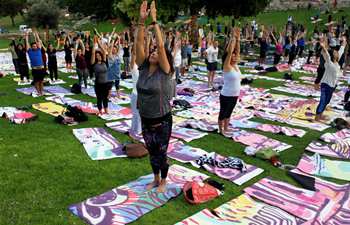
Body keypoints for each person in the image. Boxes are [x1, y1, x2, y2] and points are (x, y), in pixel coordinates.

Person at [136, 0, 174, 193]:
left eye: (157, 53)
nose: (153, 53)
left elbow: (160, 45)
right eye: (151, 52)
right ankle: (156, 178)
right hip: (145, 118)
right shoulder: (143, 68)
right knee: (152, 151)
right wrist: (141, 22)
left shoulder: (165, 71)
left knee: (161, 152)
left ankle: (165, 180)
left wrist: (154, 21)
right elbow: (138, 44)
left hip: (162, 120)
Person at [315, 36, 347, 121]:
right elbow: (326, 53)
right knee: (322, 101)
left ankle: (321, 115)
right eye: (335, 52)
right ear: (333, 56)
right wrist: (323, 46)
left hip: (332, 86)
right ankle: (317, 117)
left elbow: (342, 48)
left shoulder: (337, 61)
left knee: (327, 101)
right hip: (325, 85)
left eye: (336, 52)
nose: (336, 52)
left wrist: (344, 40)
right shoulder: (329, 62)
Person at [219, 27, 241, 136]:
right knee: (223, 113)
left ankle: (226, 128)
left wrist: (237, 39)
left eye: (235, 56)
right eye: (232, 56)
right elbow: (230, 53)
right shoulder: (227, 66)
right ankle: (221, 129)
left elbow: (237, 51)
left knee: (229, 113)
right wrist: (232, 40)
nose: (234, 57)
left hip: (235, 94)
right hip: (226, 94)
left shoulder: (235, 65)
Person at [91, 38, 109, 115]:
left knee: (105, 98)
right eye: (97, 55)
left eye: (99, 55)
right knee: (99, 98)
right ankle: (100, 110)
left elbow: (104, 52)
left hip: (106, 83)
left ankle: (106, 110)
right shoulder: (94, 64)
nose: (98, 56)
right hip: (98, 84)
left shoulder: (104, 62)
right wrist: (95, 45)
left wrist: (99, 42)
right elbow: (92, 53)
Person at [25, 31, 46, 96]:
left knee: (41, 81)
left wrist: (36, 34)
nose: (35, 47)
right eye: (33, 46)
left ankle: (42, 91)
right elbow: (27, 43)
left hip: (41, 68)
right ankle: (38, 92)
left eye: (35, 46)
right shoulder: (29, 51)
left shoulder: (39, 49)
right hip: (35, 69)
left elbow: (39, 41)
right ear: (31, 47)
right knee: (36, 82)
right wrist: (26, 36)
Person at [130, 32, 142, 135]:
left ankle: (139, 129)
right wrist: (136, 40)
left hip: (143, 94)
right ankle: (136, 130)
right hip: (135, 94)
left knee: (141, 114)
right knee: (136, 113)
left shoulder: (144, 68)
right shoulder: (134, 68)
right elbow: (134, 53)